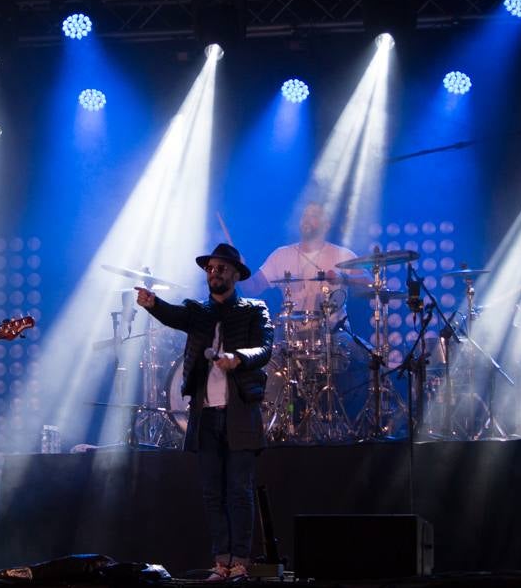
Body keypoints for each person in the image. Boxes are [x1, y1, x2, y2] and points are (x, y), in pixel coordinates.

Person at [136, 243, 273, 581]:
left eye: (221, 268)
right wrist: (152, 304)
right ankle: (222, 562)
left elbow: (265, 348)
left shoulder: (254, 309)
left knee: (239, 490)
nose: (214, 273)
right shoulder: (198, 311)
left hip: (240, 411)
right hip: (206, 414)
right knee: (213, 492)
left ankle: (241, 561)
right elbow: (174, 315)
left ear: (235, 274)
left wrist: (237, 358)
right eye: (210, 268)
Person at [248, 203, 358, 316]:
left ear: (326, 225)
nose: (307, 219)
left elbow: (368, 281)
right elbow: (253, 288)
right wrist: (239, 269)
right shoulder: (281, 255)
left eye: (314, 216)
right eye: (305, 215)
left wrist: (343, 278)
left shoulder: (343, 255)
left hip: (334, 331)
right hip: (292, 331)